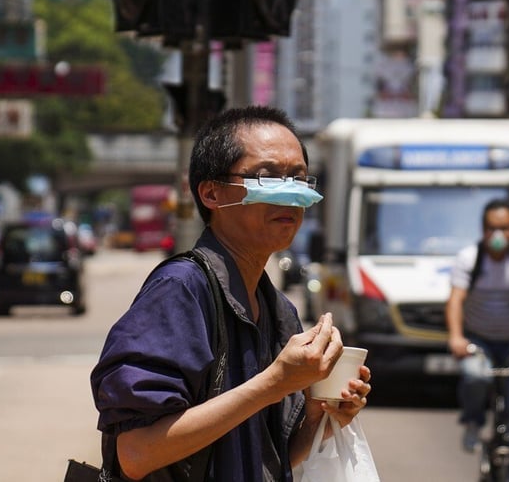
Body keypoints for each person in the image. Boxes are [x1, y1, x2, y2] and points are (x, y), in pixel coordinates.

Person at [91, 106, 372, 481]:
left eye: (299, 178)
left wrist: (317, 415)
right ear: (211, 193)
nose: (289, 193)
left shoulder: (278, 309)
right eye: (267, 177)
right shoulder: (180, 290)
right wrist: (273, 383)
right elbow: (137, 452)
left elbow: (268, 459)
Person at [445, 198, 509, 482]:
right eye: (491, 228)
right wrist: (456, 338)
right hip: (480, 341)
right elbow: (455, 301)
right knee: (474, 377)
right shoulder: (469, 258)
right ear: (483, 230)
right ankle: (473, 422)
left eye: (504, 228)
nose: (498, 235)